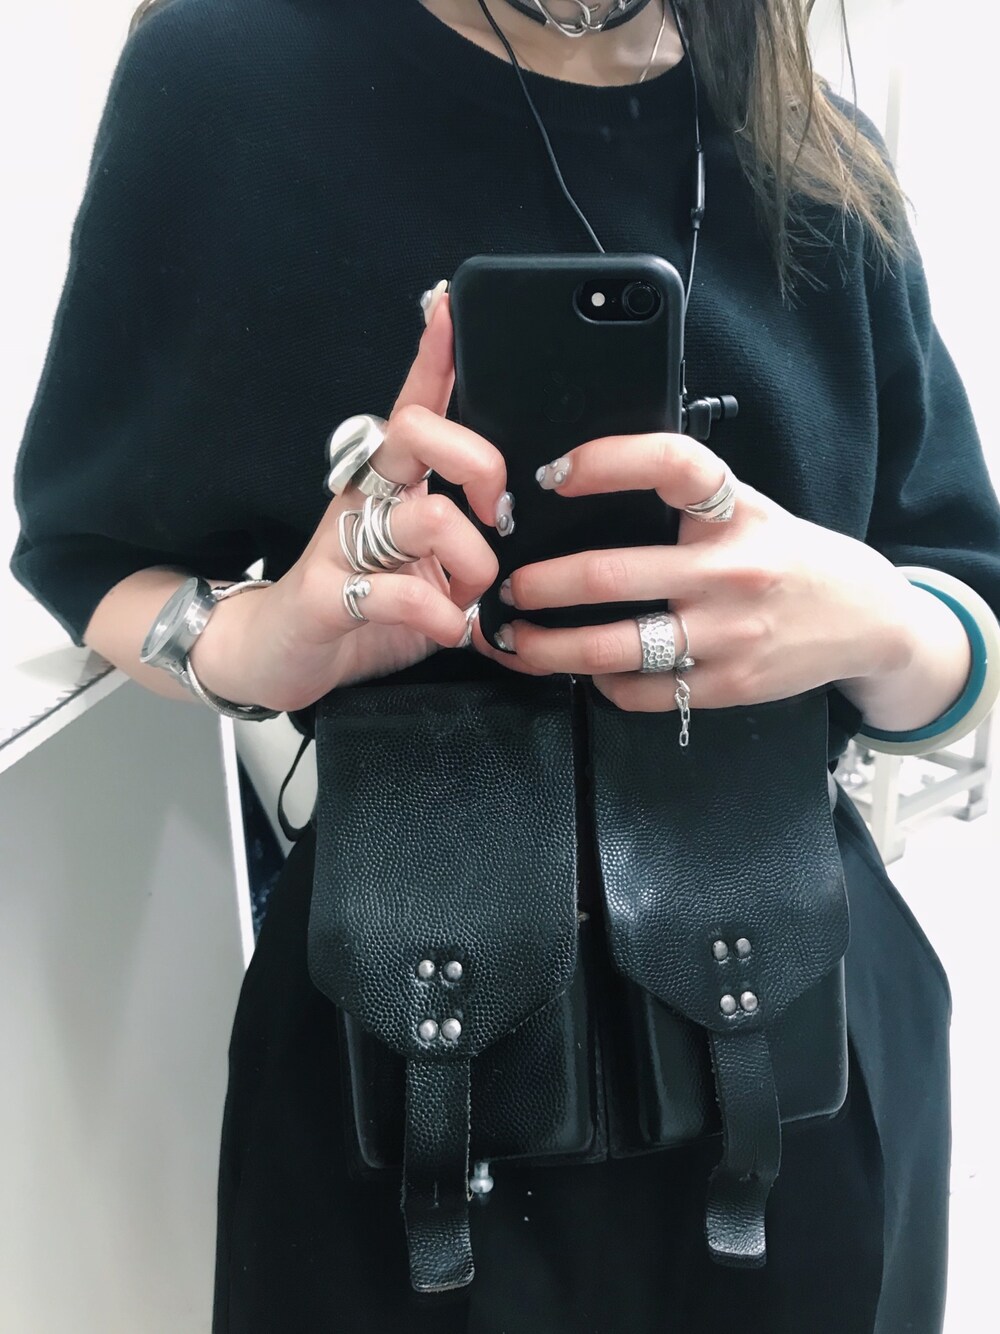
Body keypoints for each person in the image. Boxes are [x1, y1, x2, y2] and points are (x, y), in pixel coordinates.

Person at [11, 0, 1000, 1330]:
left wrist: (880, 621)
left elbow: (966, 605)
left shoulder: (810, 145)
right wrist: (259, 640)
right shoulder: (231, 76)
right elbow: (85, 547)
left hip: (808, 1037)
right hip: (399, 1067)